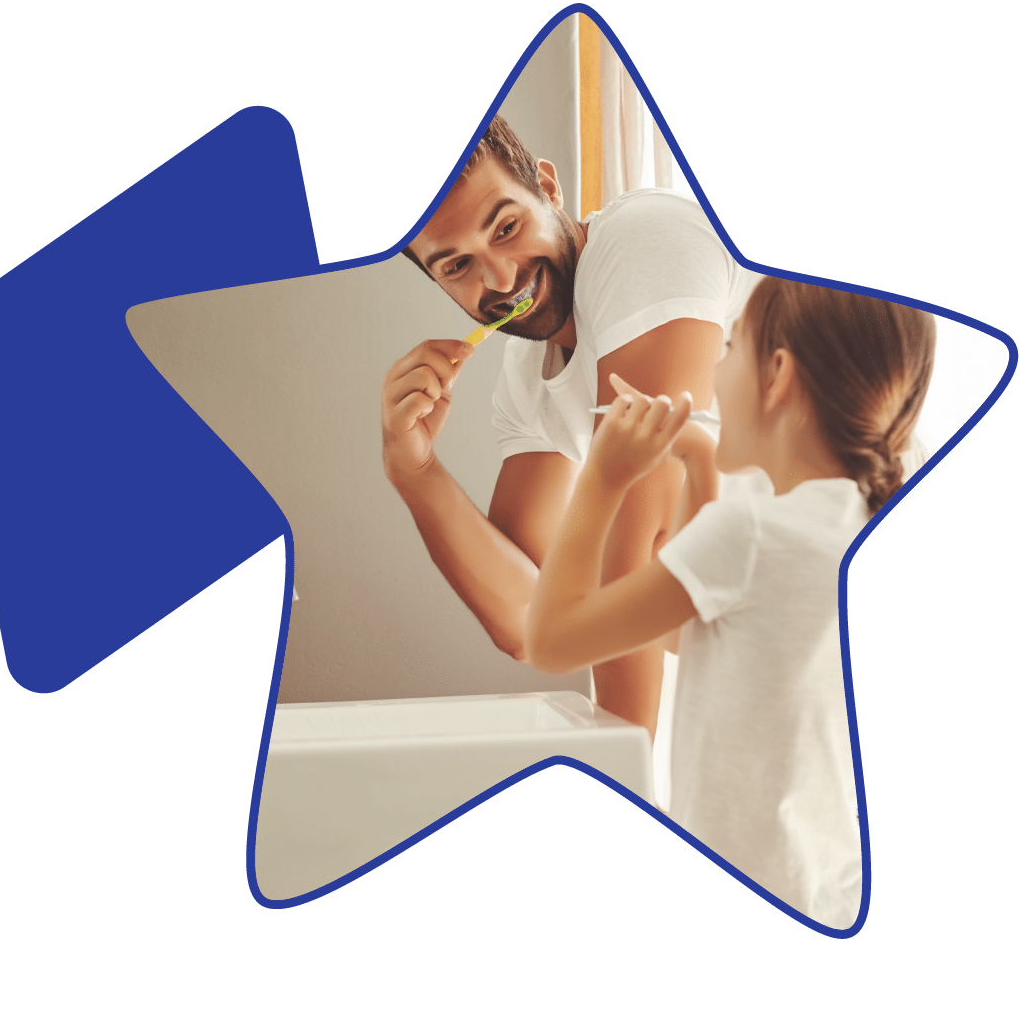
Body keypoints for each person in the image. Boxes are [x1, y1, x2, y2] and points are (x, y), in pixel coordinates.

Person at [524, 278, 936, 928]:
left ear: (777, 375)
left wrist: (603, 478)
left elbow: (549, 641)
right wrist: (695, 461)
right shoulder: (857, 519)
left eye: (729, 345)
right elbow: (696, 629)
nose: (713, 370)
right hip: (823, 892)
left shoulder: (751, 531)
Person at [382, 114, 757, 736]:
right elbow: (531, 621)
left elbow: (640, 555)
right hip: (772, 671)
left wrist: (621, 795)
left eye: (506, 227)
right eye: (456, 266)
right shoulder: (528, 371)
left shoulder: (643, 242)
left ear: (549, 189)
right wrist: (413, 468)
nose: (500, 280)